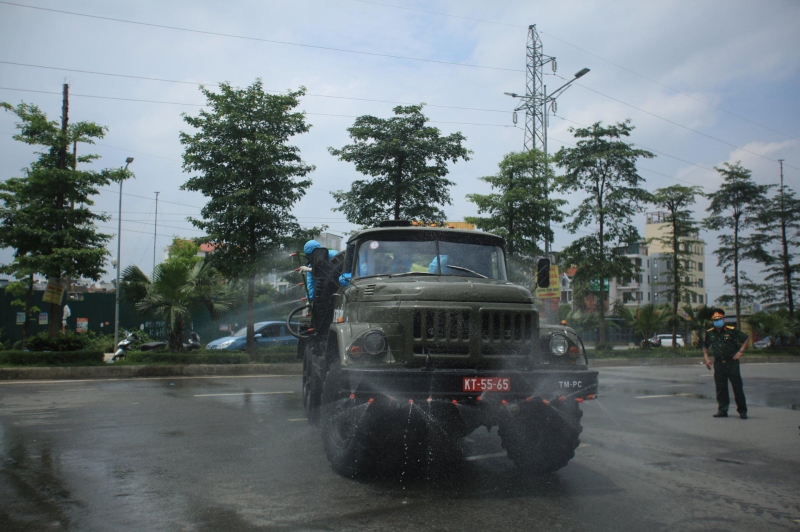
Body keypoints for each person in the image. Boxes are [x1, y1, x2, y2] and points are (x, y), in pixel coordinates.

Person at [702, 309, 749, 419]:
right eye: (715, 320)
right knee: (721, 388)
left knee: (737, 387)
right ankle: (722, 410)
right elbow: (705, 346)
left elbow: (746, 338)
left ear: (723, 319)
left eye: (719, 319)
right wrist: (706, 359)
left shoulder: (731, 330)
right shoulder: (710, 333)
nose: (717, 321)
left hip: (731, 362)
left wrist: (740, 352)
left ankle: (742, 411)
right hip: (719, 363)